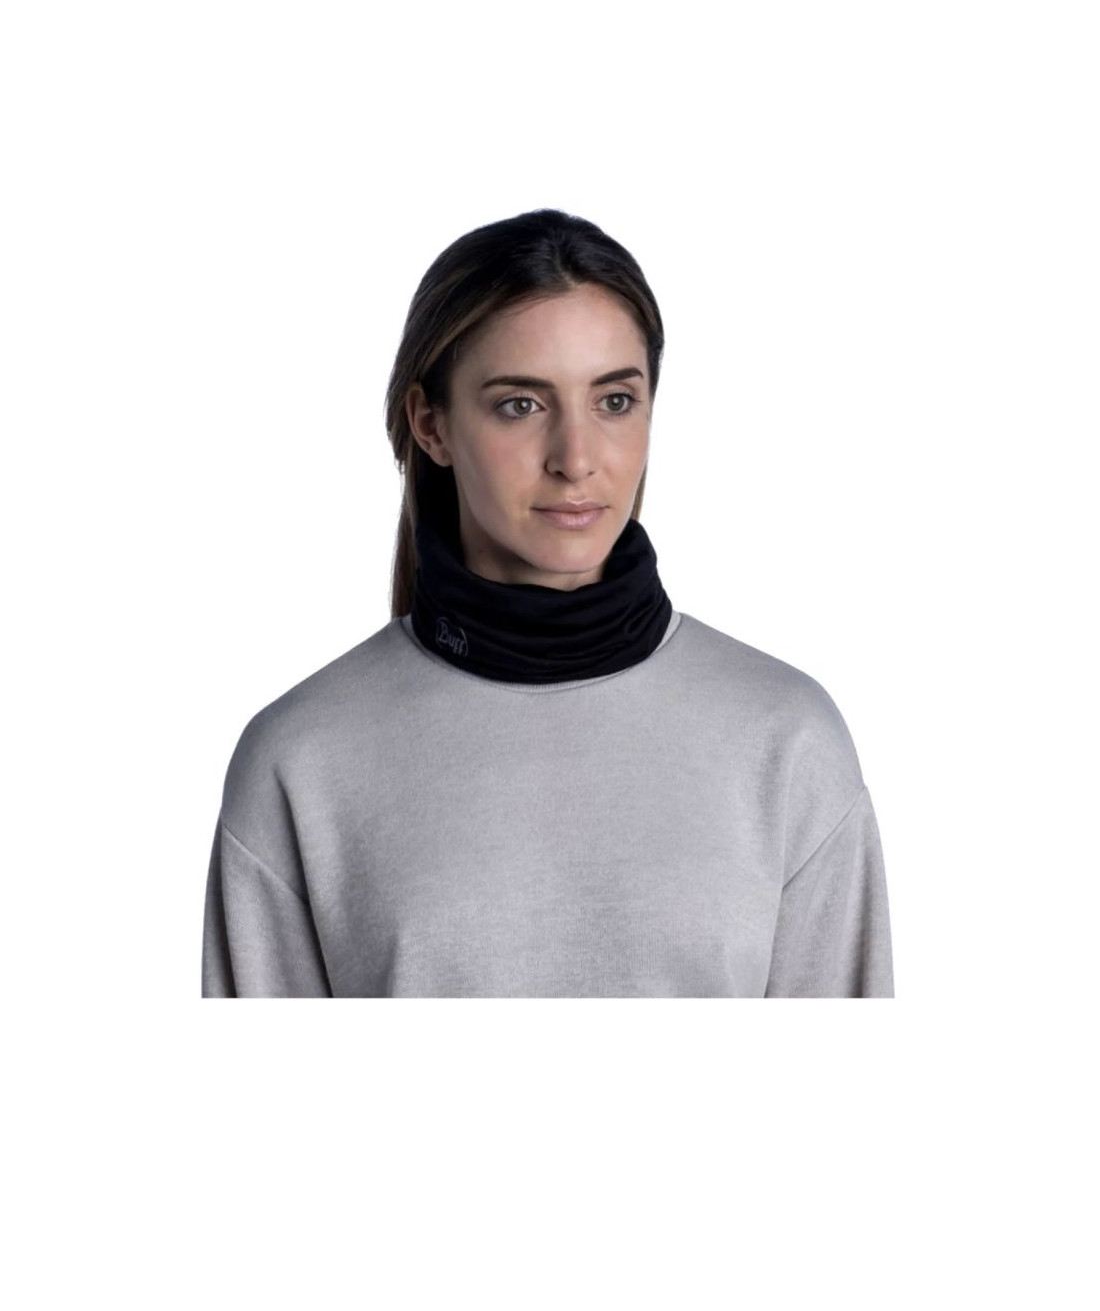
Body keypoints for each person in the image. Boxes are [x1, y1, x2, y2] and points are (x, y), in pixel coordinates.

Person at [201, 208, 894, 998]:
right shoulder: (301, 759)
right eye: (520, 404)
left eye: (614, 401)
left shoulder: (787, 741)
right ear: (431, 424)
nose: (576, 459)